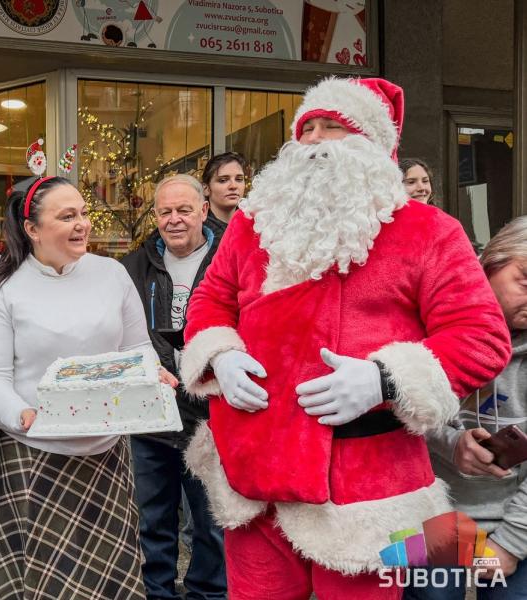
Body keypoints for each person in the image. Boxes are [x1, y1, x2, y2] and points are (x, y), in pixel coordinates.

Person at [179, 77, 511, 599]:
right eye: (306, 128)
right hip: (256, 472)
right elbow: (210, 301)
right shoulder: (250, 225)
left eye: (334, 126)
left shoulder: (430, 231)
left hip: (363, 486)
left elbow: (482, 338)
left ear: (374, 148)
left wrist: (387, 379)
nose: (314, 140)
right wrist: (218, 354)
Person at [0, 176, 177, 600]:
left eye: (83, 212)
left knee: (108, 579)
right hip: (35, 452)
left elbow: (136, 346)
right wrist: (22, 415)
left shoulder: (111, 273)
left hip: (106, 451)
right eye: (67, 216)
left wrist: (152, 372)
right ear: (32, 228)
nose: (83, 223)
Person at [406, 216, 527, 599]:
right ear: (489, 264)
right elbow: (403, 414)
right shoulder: (432, 325)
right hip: (430, 512)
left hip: (517, 519)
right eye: (524, 281)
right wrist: (453, 442)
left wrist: (509, 545)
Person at [120, 174, 227, 600]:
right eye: (165, 211)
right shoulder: (132, 266)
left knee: (213, 522)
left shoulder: (230, 259)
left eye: (184, 210)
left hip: (213, 417)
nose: (174, 219)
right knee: (151, 522)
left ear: (204, 209)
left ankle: (207, 593)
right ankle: (156, 593)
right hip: (151, 414)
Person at [200, 151, 247, 234]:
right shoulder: (199, 231)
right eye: (223, 180)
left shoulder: (255, 225)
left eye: (239, 179)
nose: (233, 186)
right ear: (206, 188)